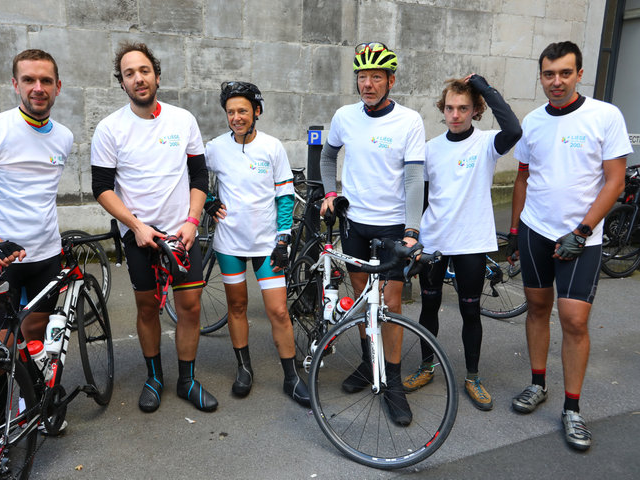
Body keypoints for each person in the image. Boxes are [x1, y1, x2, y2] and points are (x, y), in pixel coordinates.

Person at [507, 41, 632, 450]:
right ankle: (537, 383)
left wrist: (582, 231)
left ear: (579, 74)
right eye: (548, 74)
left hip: (582, 236)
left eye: (564, 73)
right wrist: (513, 232)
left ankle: (573, 409)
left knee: (574, 320)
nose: (556, 82)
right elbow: (523, 177)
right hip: (535, 231)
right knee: (538, 309)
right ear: (541, 76)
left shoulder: (604, 116)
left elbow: (615, 179)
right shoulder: (533, 121)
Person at [0, 49, 73, 441]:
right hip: (0, 259)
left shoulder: (65, 137)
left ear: (57, 86)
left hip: (45, 256)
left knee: (31, 340)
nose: (37, 88)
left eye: (45, 81)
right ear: (15, 84)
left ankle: (30, 404)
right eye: (28, 80)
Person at [90, 42, 217, 414]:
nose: (138, 78)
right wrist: (135, 226)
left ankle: (187, 380)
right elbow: (102, 188)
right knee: (147, 309)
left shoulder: (183, 120)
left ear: (156, 76)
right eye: (129, 73)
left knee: (190, 307)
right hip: (139, 235)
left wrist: (193, 220)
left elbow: (198, 175)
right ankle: (154, 377)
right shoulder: (110, 128)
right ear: (122, 83)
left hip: (181, 234)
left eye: (143, 70)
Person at [319, 42, 425, 425]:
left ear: (390, 81)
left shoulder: (409, 120)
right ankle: (369, 365)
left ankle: (392, 383)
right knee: (366, 302)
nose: (368, 84)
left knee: (391, 306)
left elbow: (415, 178)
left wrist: (412, 231)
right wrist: (331, 192)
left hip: (394, 226)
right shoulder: (346, 116)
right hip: (356, 225)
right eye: (362, 76)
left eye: (375, 77)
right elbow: (328, 156)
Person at [401, 75, 522, 411]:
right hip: (435, 240)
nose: (455, 114)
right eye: (450, 108)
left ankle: (472, 376)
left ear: (475, 111)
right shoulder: (430, 149)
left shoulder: (486, 144)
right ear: (444, 110)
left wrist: (483, 87)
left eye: (463, 108)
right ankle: (427, 367)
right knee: (428, 306)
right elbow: (421, 198)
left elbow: (513, 130)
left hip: (471, 242)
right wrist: (414, 237)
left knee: (470, 310)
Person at [204, 81, 310, 407]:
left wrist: (284, 238)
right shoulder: (215, 148)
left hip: (267, 245)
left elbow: (284, 196)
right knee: (236, 306)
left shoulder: (272, 147)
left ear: (257, 112)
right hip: (229, 243)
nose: (236, 117)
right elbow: (189, 176)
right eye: (231, 112)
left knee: (278, 310)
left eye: (243, 111)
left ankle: (291, 377)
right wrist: (207, 200)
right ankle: (244, 368)